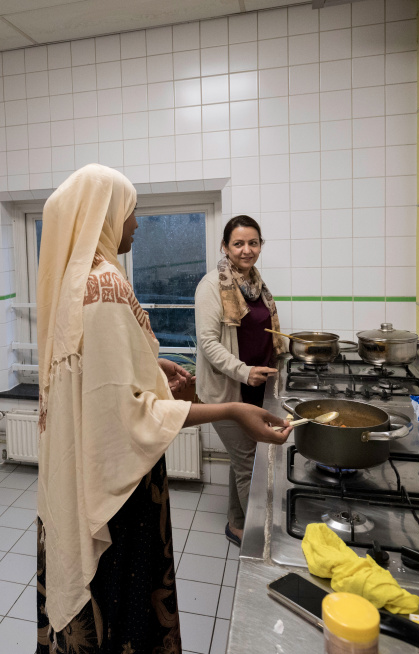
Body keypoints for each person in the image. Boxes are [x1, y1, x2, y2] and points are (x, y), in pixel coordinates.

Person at [36, 165, 292, 653]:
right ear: (105, 216)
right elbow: (127, 414)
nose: (135, 225)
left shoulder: (78, 283)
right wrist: (232, 411)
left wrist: (151, 363)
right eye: (130, 213)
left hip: (80, 469)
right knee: (124, 610)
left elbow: (94, 373)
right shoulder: (105, 288)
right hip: (118, 489)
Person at [194, 215, 287, 547]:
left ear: (261, 245)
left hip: (257, 387)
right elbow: (208, 343)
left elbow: (263, 330)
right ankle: (259, 539)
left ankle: (236, 523)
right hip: (228, 391)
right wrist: (244, 370)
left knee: (244, 457)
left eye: (253, 242)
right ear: (225, 246)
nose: (247, 250)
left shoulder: (257, 284)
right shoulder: (211, 286)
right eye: (238, 243)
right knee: (250, 461)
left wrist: (284, 351)